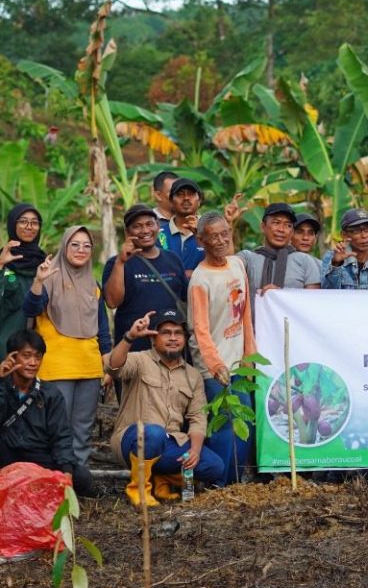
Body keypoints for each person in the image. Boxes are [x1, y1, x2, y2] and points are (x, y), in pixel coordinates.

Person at [22, 226, 111, 495]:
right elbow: (31, 310)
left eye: (86, 246)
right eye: (74, 245)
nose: (81, 250)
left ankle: (76, 488)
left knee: (82, 431)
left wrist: (107, 366)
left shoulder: (93, 285)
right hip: (56, 367)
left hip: (89, 367)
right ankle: (52, 488)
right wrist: (38, 282)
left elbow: (103, 330)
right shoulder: (49, 279)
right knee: (55, 430)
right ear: (64, 247)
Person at [108, 309, 226, 506]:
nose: (173, 338)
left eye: (178, 333)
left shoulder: (193, 375)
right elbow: (113, 367)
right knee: (153, 433)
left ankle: (160, 478)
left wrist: (195, 451)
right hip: (132, 438)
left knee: (215, 467)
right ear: (154, 339)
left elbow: (198, 417)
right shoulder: (140, 360)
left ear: (184, 339)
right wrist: (130, 337)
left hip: (171, 442)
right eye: (166, 332)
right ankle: (138, 491)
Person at [189, 213, 257, 483]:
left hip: (239, 363)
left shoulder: (237, 265)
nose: (220, 240)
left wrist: (250, 354)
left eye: (224, 233)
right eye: (213, 236)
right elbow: (200, 329)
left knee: (245, 425)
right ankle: (220, 483)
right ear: (201, 240)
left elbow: (245, 314)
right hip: (213, 366)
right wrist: (215, 365)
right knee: (223, 428)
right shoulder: (200, 280)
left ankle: (238, 481)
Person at [0, 330, 79, 493]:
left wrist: (66, 471)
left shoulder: (50, 393)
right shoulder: (3, 386)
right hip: (6, 455)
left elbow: (61, 435)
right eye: (26, 356)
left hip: (38, 457)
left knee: (82, 477)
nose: (33, 362)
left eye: (37, 357)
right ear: (12, 357)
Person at [102, 204, 187, 351]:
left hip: (171, 351)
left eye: (149, 224)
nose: (145, 231)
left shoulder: (173, 259)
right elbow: (111, 302)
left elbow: (186, 299)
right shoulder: (116, 263)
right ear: (127, 232)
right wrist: (121, 263)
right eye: (137, 226)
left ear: (158, 226)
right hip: (134, 351)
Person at [238, 203, 321, 309]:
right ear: (263, 226)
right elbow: (225, 266)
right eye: (276, 223)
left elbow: (313, 304)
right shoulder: (248, 258)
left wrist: (279, 295)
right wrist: (229, 225)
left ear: (291, 232)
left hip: (291, 324)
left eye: (288, 225)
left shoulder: (305, 261)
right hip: (255, 325)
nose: (281, 229)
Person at [1, 203, 46, 350]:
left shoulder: (45, 264)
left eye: (34, 223)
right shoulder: (2, 259)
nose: (29, 226)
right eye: (23, 221)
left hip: (38, 350)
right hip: (5, 345)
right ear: (13, 224)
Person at [322, 208, 368, 290]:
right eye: (356, 231)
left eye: (367, 229)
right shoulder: (331, 258)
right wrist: (336, 264)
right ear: (344, 235)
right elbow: (327, 293)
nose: (364, 236)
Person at [160, 177, 205, 279]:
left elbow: (222, 262)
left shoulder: (211, 231)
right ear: (171, 201)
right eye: (180, 194)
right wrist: (183, 275)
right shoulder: (159, 235)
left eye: (191, 194)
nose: (186, 198)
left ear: (200, 200)